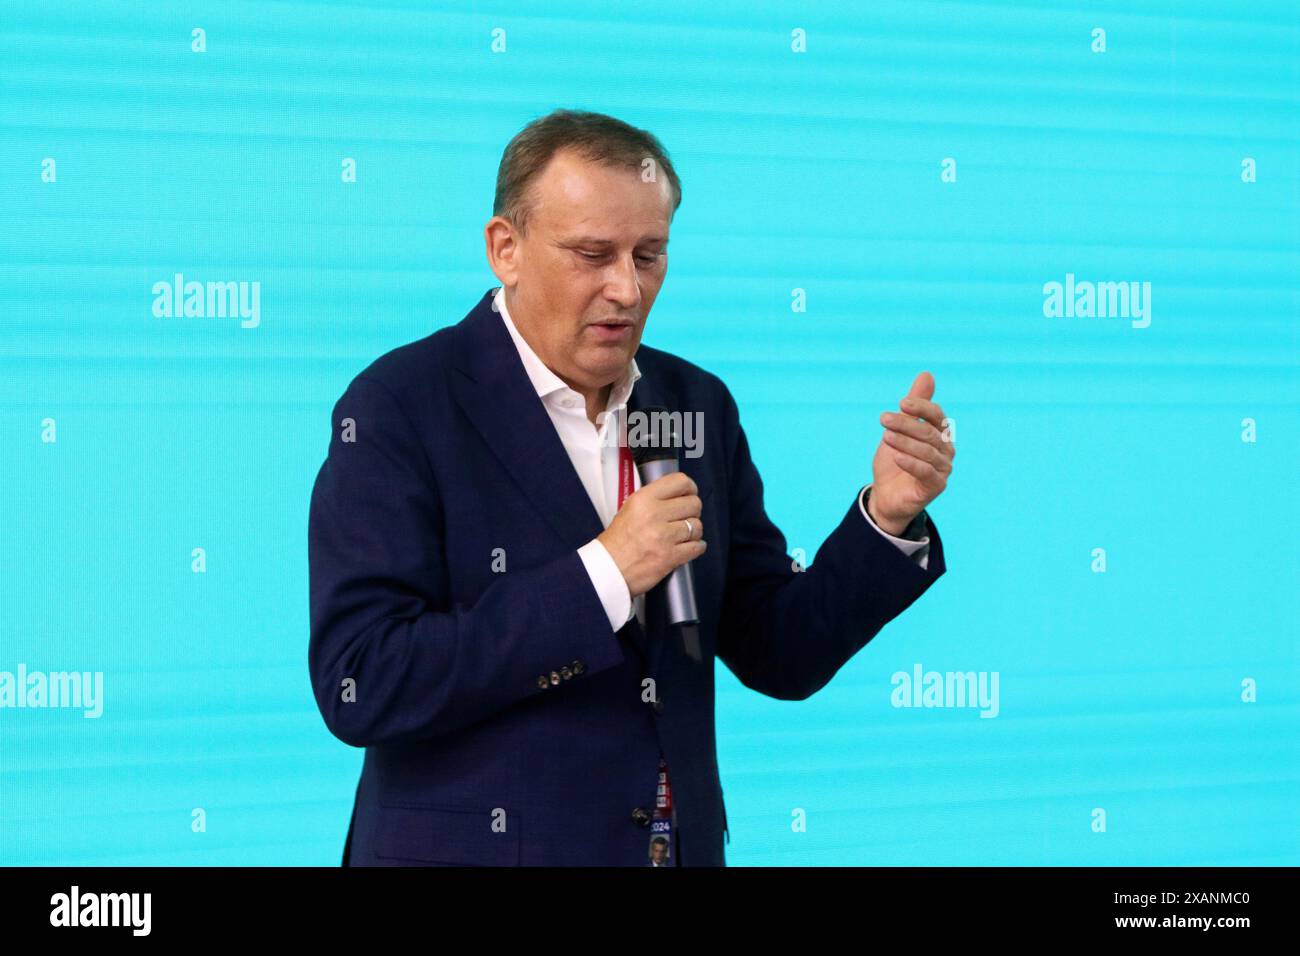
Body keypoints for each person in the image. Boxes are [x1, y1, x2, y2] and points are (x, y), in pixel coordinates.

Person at [307, 109, 954, 867]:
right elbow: (364, 680)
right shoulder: (401, 406)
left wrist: (887, 517)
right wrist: (606, 575)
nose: (627, 287)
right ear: (504, 250)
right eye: (592, 254)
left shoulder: (692, 404)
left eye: (649, 255)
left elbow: (780, 653)